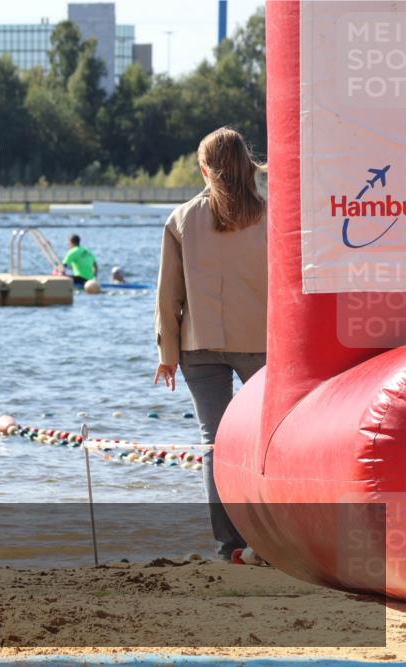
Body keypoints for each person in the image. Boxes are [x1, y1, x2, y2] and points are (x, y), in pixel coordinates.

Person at [152, 127, 268, 562]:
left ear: (203, 169)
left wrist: (166, 355)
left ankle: (230, 546)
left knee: (214, 444)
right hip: (260, 342)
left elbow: (168, 296)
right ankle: (271, 539)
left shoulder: (180, 219)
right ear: (248, 166)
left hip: (197, 346)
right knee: (265, 443)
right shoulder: (272, 217)